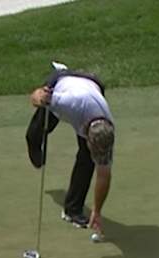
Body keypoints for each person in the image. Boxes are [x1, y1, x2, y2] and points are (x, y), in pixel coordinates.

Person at [26, 64, 116, 234]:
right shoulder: (69, 102)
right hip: (63, 83)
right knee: (38, 131)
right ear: (88, 137)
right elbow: (35, 96)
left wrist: (97, 211)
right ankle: (33, 143)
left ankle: (72, 210)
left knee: (87, 160)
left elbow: (104, 175)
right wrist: (40, 99)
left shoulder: (107, 132)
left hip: (93, 88)